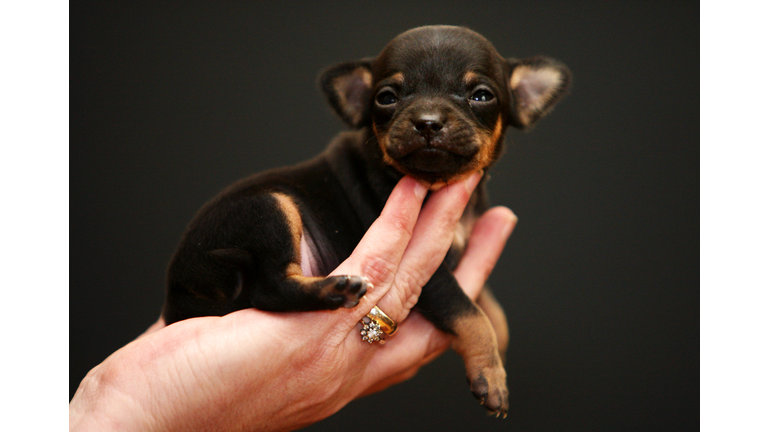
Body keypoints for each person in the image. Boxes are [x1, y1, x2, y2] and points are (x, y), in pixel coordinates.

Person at [69, 174, 517, 431]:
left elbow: (433, 277)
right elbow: (433, 281)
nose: (430, 117)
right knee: (268, 208)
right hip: (224, 273)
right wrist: (131, 404)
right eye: (391, 97)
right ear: (359, 102)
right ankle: (285, 284)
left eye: (477, 96)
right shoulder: (369, 179)